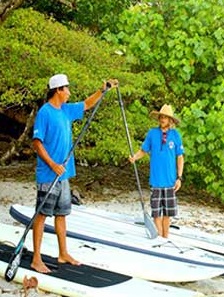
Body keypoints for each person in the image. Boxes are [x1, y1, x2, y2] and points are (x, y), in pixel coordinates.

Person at [31, 74, 118, 273]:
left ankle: (63, 253)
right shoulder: (45, 112)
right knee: (42, 215)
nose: (69, 93)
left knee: (61, 215)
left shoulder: (66, 111)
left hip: (63, 176)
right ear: (58, 91)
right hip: (48, 175)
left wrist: (103, 90)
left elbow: (87, 104)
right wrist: (53, 164)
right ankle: (36, 259)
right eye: (67, 89)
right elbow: (37, 143)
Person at [129, 104, 184, 238]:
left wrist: (179, 177)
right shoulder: (152, 133)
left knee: (167, 213)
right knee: (156, 213)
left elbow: (180, 157)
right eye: (161, 117)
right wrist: (134, 157)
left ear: (170, 120)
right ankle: (159, 237)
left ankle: (166, 237)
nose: (162, 119)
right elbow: (144, 150)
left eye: (165, 117)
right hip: (156, 181)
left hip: (170, 181)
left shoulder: (175, 135)